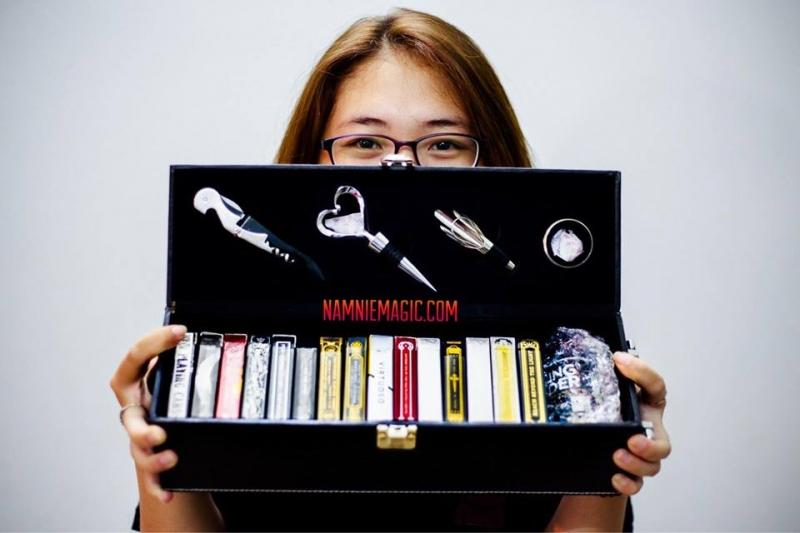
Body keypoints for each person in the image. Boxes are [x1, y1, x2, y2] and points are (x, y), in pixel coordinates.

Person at [110, 8, 670, 531]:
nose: (400, 166)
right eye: (365, 141)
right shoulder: (234, 342)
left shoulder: (556, 354)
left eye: (443, 143)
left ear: (492, 157)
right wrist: (154, 445)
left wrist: (614, 455)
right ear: (312, 155)